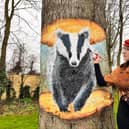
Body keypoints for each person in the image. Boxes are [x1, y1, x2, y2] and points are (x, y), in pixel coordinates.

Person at [94, 39, 129, 129]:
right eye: (124, 49)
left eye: (127, 49)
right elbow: (102, 82)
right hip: (125, 109)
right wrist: (96, 63)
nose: (124, 52)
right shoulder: (120, 71)